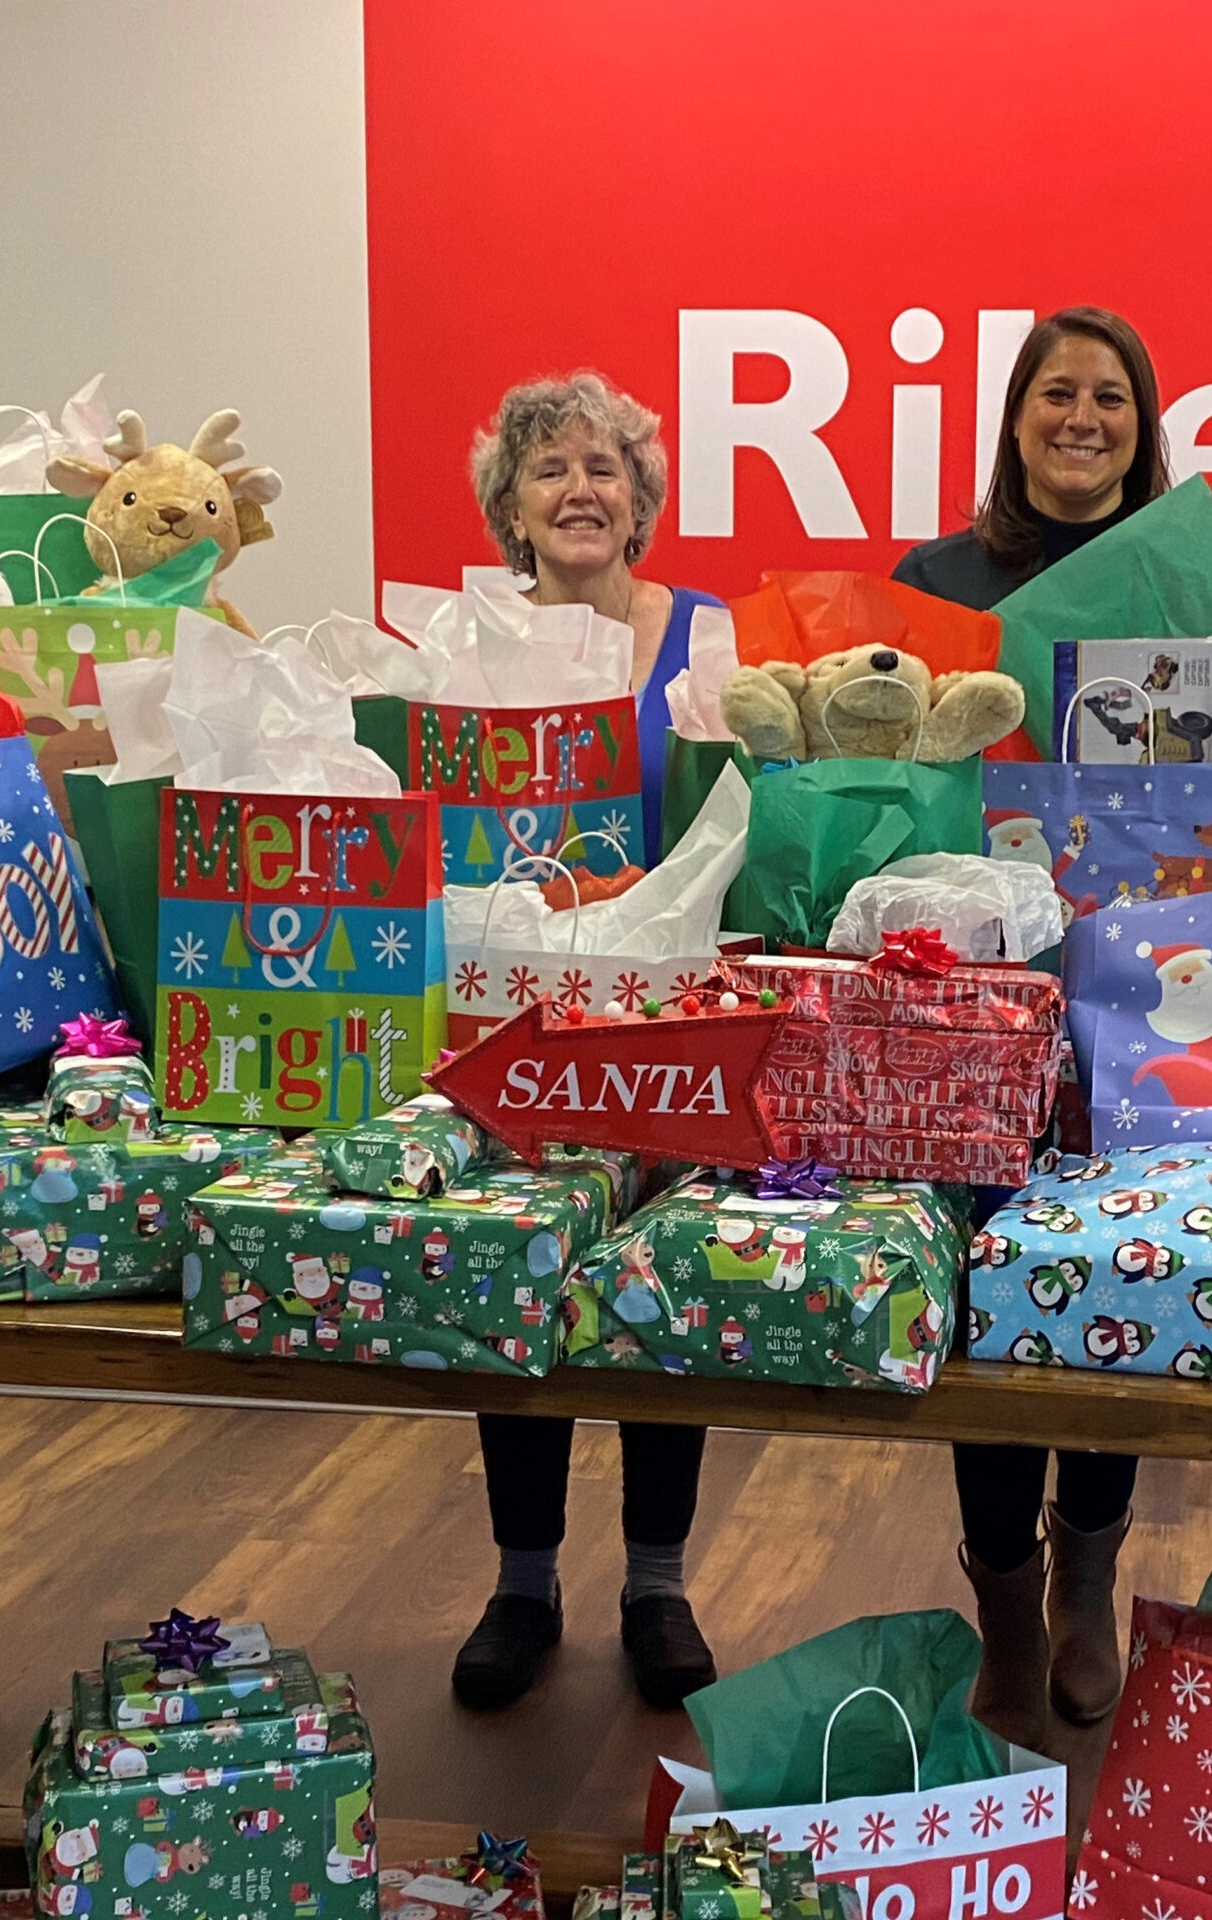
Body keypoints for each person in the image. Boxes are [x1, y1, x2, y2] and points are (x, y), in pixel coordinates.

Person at [896, 307, 1196, 1747]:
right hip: (987, 994)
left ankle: (1093, 1574)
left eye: (1112, 401)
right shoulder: (935, 582)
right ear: (1015, 416)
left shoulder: (1191, 588)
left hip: (1149, 988)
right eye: (1056, 394)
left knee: (1123, 1265)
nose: (1083, 418)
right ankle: (1008, 1613)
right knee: (993, 1283)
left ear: (1144, 429)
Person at [455, 372, 722, 1711]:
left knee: (659, 1281)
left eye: (606, 468)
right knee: (520, 1263)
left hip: (669, 1005)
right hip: (515, 1006)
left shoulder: (707, 636)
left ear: (642, 501)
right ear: (509, 504)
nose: (580, 490)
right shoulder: (468, 642)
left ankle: (659, 1581)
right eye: (550, 467)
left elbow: (743, 812)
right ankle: (522, 1579)